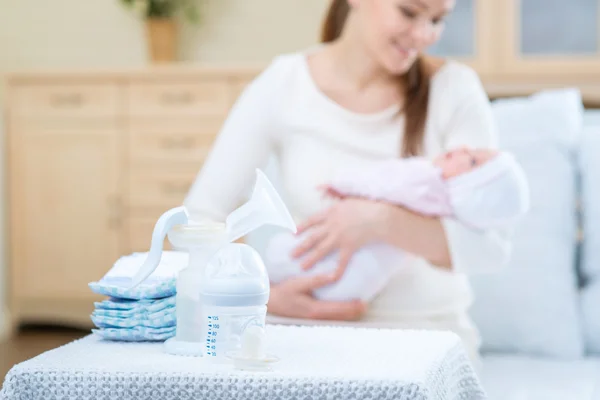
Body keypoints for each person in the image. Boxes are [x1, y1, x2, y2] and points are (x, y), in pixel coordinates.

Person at [183, 0, 512, 366]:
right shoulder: (285, 83)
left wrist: (379, 221)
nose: (424, 35)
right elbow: (200, 217)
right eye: (408, 12)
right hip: (301, 334)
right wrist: (266, 298)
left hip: (425, 336)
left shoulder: (453, 89)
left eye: (437, 20)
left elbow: (492, 248)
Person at [264, 148, 529, 303]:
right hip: (366, 278)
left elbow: (384, 187)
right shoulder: (443, 204)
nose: (462, 149)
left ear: (472, 191)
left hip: (401, 306)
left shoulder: (426, 181)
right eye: (472, 151)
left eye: (472, 162)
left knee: (291, 257)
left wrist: (345, 187)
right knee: (333, 274)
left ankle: (283, 276)